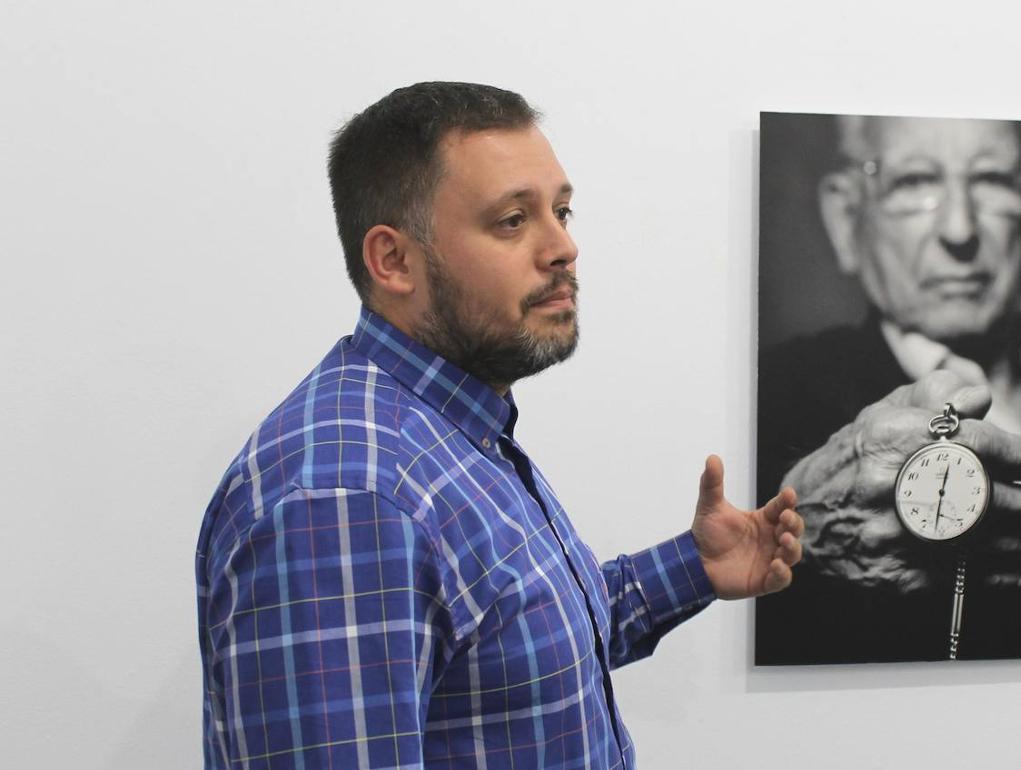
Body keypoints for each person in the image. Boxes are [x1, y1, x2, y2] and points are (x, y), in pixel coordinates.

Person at [194, 82, 807, 769]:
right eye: (513, 220)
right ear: (393, 260)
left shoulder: (452, 431)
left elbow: (510, 652)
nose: (562, 249)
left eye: (563, 212)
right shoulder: (347, 496)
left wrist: (693, 566)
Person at [755, 115, 1021, 664]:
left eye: (994, 180)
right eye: (914, 182)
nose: (960, 230)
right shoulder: (775, 399)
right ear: (845, 217)